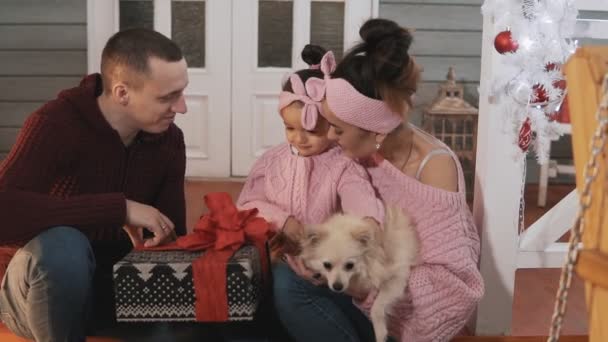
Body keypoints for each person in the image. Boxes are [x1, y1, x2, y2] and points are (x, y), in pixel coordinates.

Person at [273, 19, 484, 342]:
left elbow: (455, 290)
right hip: (349, 286)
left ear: (376, 131)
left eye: (338, 129)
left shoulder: (433, 168)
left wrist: (358, 282)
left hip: (392, 315)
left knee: (289, 289)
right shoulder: (358, 152)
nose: (329, 136)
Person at [0, 28, 188, 341]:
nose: (182, 107)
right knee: (63, 245)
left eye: (181, 93)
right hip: (37, 295)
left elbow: (174, 236)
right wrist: (120, 209)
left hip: (118, 295)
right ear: (122, 93)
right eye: (167, 97)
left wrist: (157, 245)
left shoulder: (170, 141)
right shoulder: (55, 124)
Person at [237, 44, 385, 256]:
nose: (298, 138)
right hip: (279, 254)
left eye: (312, 131)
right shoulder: (272, 161)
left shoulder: (342, 164)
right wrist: (283, 221)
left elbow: (358, 194)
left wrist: (368, 220)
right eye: (289, 128)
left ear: (333, 124)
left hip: (324, 258)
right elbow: (249, 203)